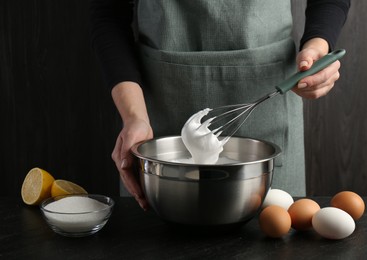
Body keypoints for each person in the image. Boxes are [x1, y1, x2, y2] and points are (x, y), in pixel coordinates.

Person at [90, 0, 350, 210]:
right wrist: (134, 116)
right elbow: (109, 12)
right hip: (157, 108)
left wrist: (317, 45)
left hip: (267, 99)